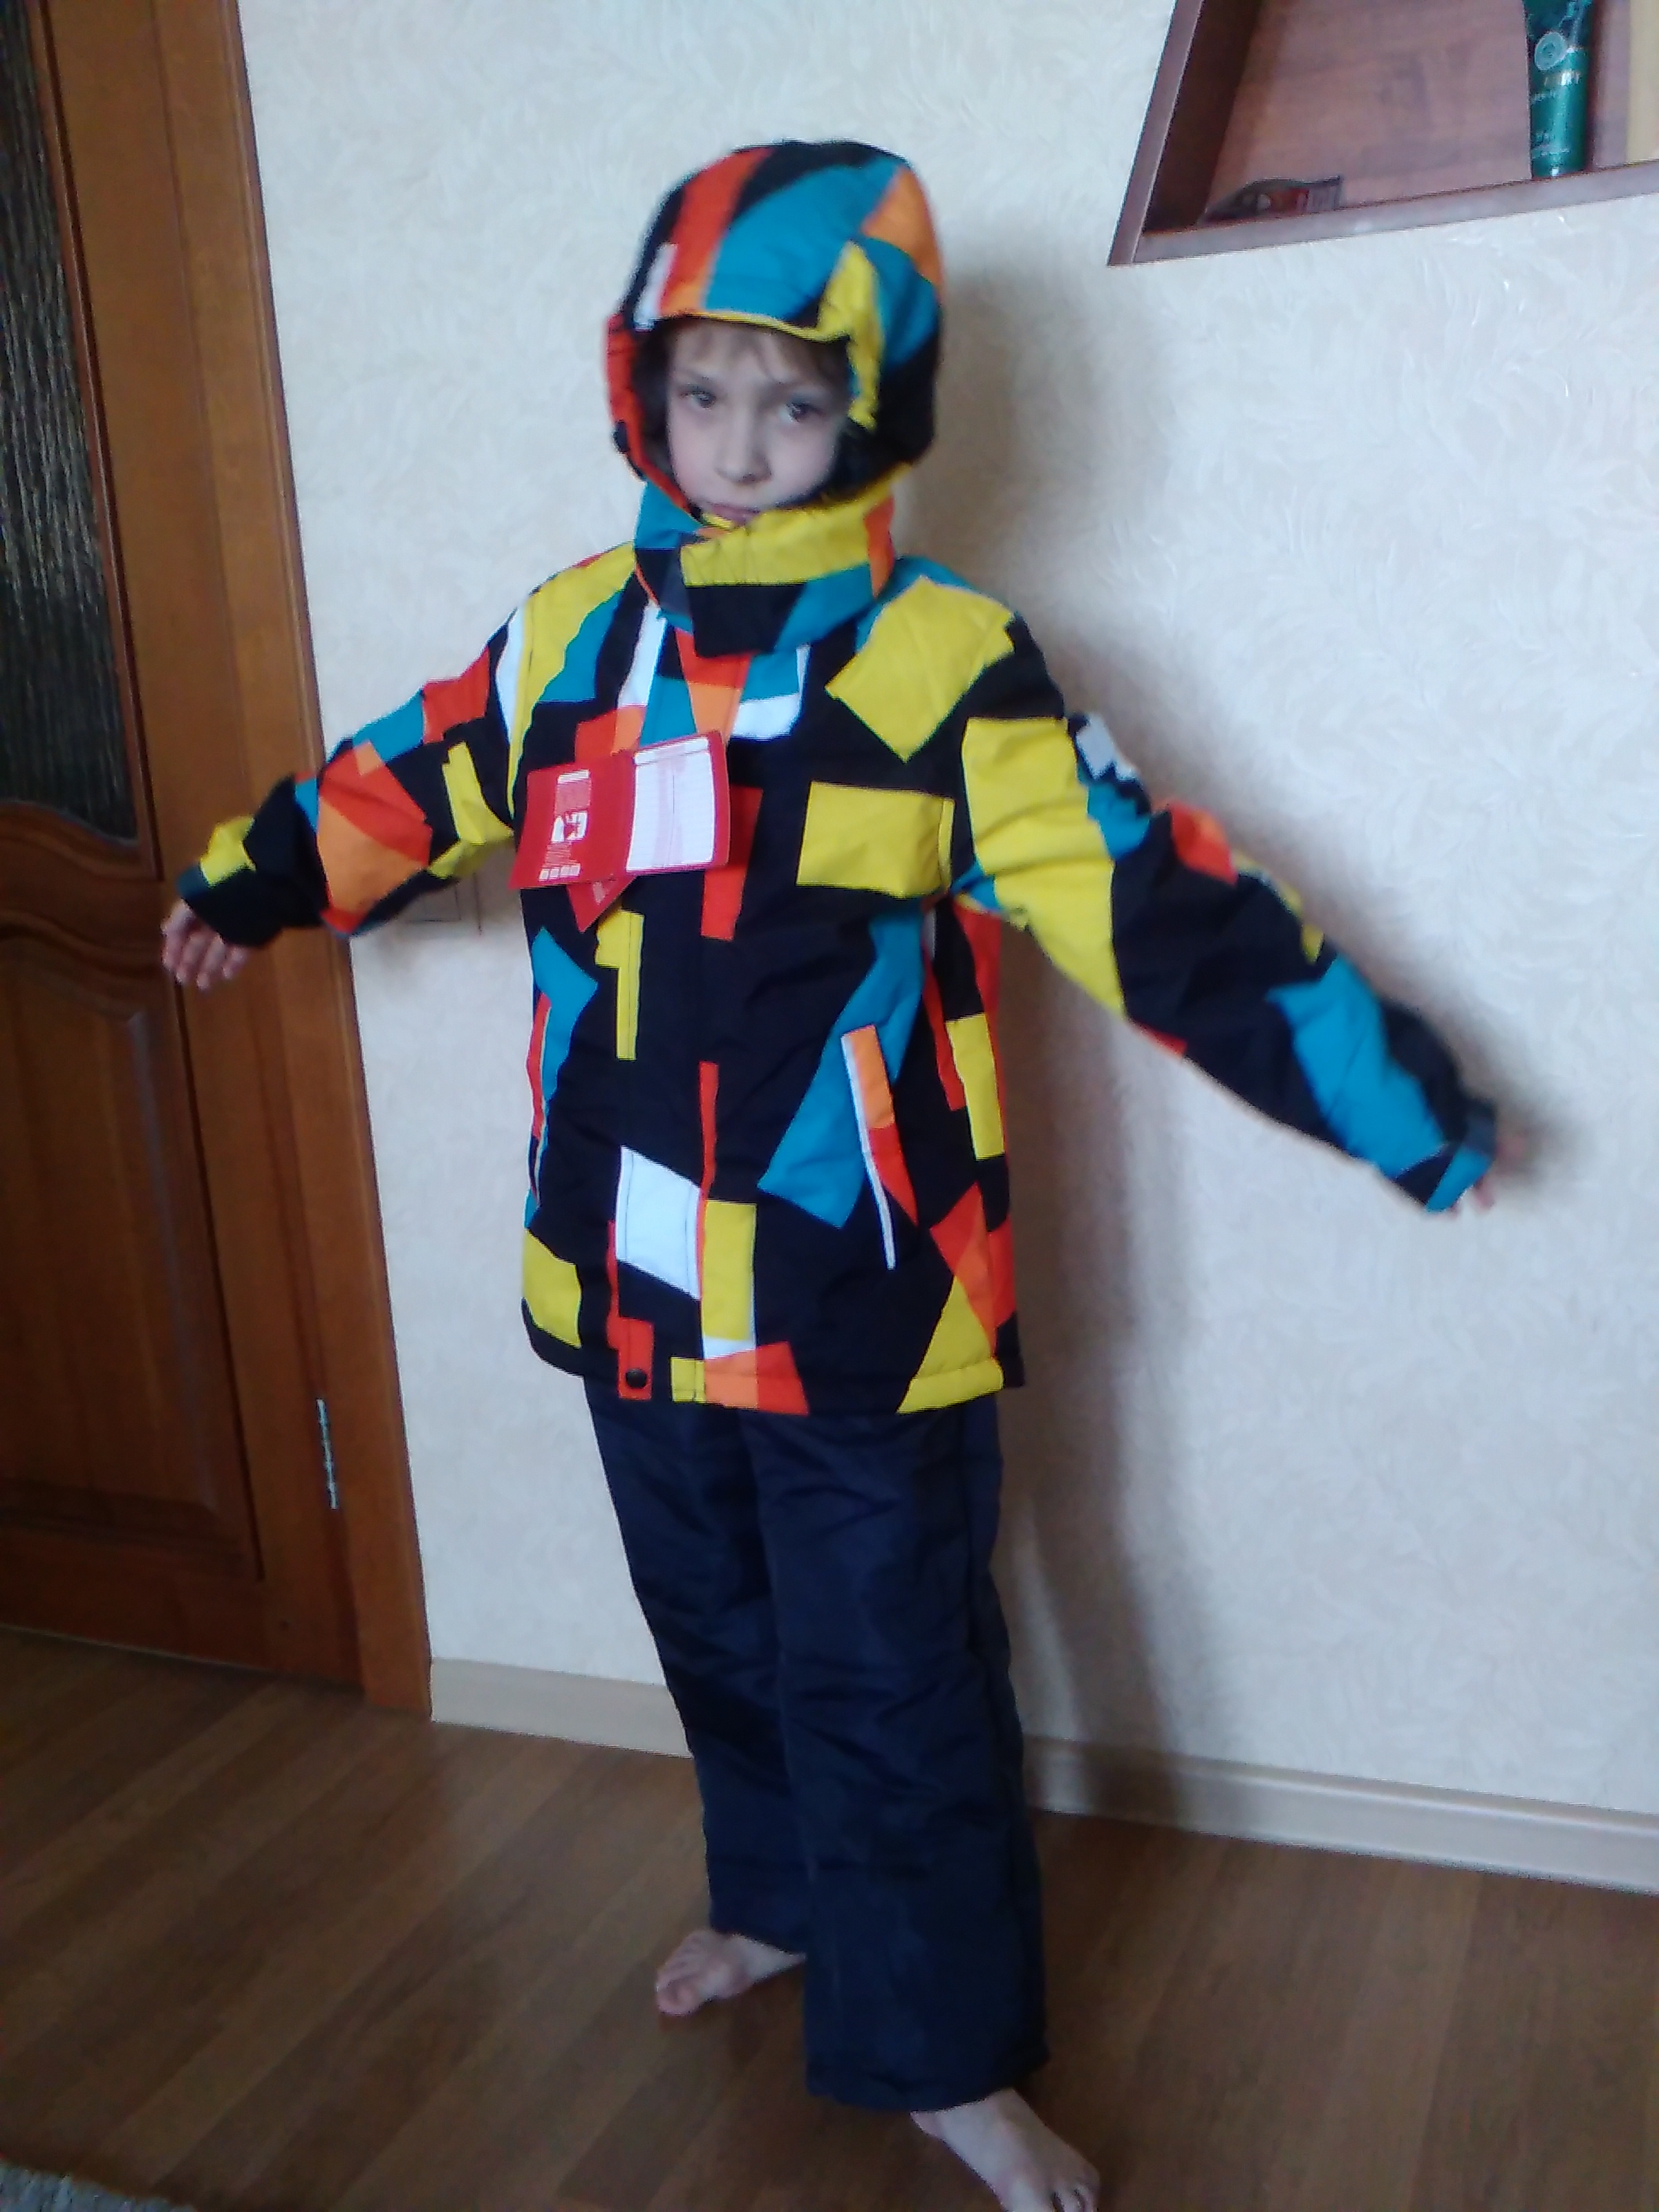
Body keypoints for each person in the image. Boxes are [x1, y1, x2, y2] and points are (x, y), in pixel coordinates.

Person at [163, 141, 1503, 2212]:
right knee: (715, 1627)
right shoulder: (572, 641)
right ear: (641, 387)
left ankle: (944, 2059)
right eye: (702, 391)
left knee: (895, 1676)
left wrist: (1400, 1107)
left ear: (871, 408)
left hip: (863, 1287)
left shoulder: (944, 664)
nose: (741, 443)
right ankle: (779, 1904)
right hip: (626, 1274)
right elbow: (402, 779)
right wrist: (248, 886)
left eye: (793, 400)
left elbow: (1161, 908)